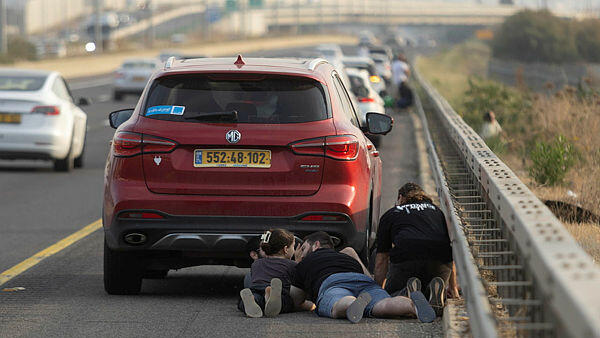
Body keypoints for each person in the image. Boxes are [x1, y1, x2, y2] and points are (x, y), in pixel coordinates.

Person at [292, 231, 436, 324]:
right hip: (363, 281)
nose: (302, 253)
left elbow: (297, 298)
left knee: (337, 306)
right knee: (384, 304)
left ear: (316, 245)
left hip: (333, 283)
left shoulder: (306, 262)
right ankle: (413, 306)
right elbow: (370, 278)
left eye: (303, 248)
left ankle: (352, 303)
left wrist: (297, 264)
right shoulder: (345, 256)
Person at [374, 183, 459, 316]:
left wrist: (377, 291)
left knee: (391, 295)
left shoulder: (392, 214)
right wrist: (453, 288)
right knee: (430, 286)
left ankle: (405, 293)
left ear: (401, 198)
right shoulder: (437, 212)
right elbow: (449, 247)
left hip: (407, 259)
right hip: (440, 261)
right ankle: (436, 295)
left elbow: (382, 258)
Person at [238, 229, 298, 318]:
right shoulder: (291, 264)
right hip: (280, 294)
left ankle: (252, 300)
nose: (294, 250)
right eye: (293, 247)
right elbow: (296, 284)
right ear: (286, 249)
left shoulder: (257, 263)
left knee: (245, 302)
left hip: (256, 290)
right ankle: (269, 297)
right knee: (287, 302)